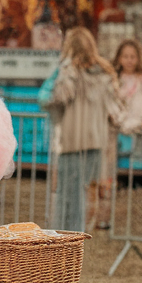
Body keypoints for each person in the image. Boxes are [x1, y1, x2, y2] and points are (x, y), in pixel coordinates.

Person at [44, 27, 121, 233]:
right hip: (95, 142)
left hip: (72, 141)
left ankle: (65, 239)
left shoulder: (70, 70)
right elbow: (115, 108)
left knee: (68, 196)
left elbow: (60, 95)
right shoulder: (104, 72)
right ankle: (75, 236)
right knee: (84, 193)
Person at [93, 38, 142, 228]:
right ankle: (101, 216)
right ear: (119, 58)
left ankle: (107, 217)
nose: (129, 60)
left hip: (134, 127)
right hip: (109, 130)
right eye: (125, 56)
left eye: (133, 56)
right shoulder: (112, 79)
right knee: (104, 174)